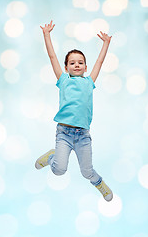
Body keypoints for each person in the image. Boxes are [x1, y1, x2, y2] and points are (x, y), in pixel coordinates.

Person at [35, 20, 113, 201]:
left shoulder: (89, 82)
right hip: (64, 133)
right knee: (59, 170)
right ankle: (52, 156)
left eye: (80, 63)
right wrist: (46, 35)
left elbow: (100, 62)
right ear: (66, 67)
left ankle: (99, 183)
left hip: (83, 135)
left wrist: (106, 44)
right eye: (72, 63)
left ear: (86, 67)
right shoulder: (63, 81)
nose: (76, 65)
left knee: (87, 172)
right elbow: (52, 57)